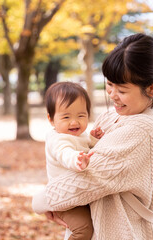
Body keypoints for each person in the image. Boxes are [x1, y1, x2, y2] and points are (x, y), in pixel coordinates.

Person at [32, 33, 153, 239]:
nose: (112, 95)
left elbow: (89, 180)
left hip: (123, 232)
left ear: (151, 88)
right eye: (110, 85)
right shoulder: (112, 116)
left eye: (122, 89)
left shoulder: (141, 128)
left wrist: (42, 201)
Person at [40, 82, 105, 240]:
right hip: (65, 200)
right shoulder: (58, 140)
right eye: (66, 117)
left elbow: (86, 145)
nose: (74, 122)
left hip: (78, 195)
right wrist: (76, 160)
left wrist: (94, 139)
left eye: (81, 116)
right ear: (51, 119)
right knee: (83, 228)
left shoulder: (79, 135)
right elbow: (65, 153)